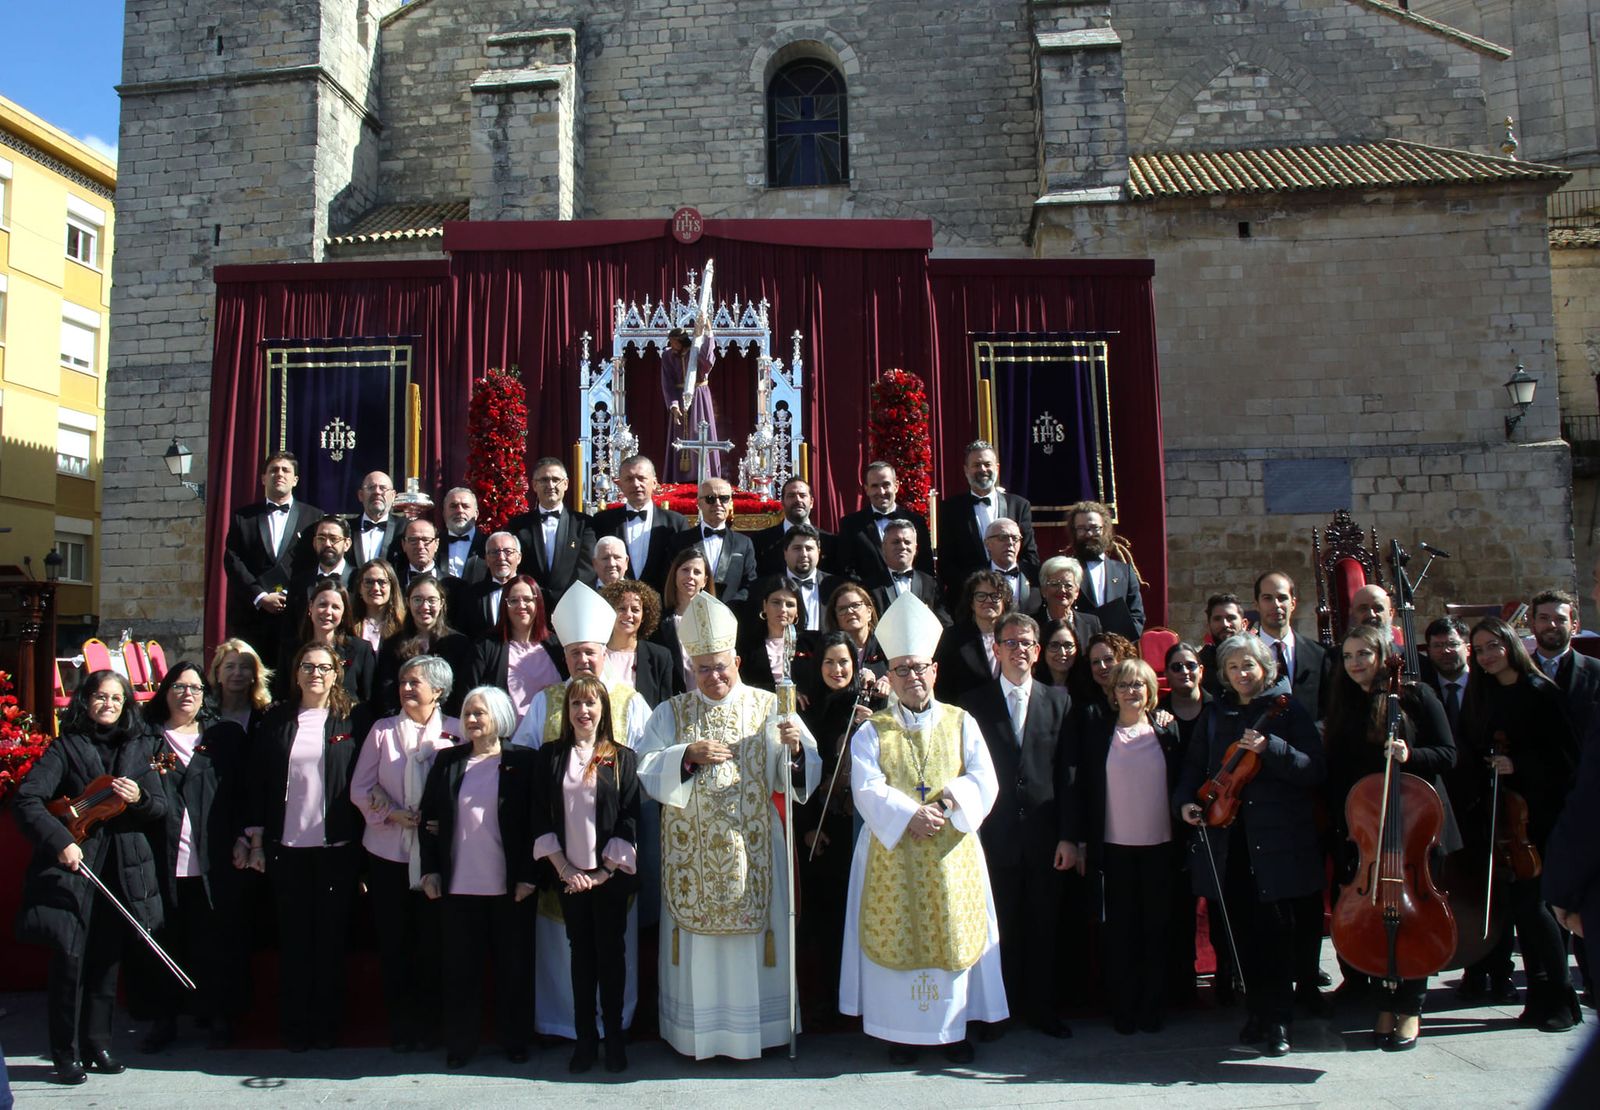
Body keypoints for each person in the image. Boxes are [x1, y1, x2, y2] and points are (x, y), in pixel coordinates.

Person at [635, 591, 821, 1060]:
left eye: (722, 666)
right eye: (704, 669)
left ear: (737, 659)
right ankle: (698, 1034)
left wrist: (795, 748)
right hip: (692, 853)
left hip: (754, 849)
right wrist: (686, 756)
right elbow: (646, 767)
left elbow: (799, 772)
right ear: (690, 668)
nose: (714, 677)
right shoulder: (671, 713)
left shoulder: (769, 706)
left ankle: (762, 1031)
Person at [841, 592, 1007, 1064]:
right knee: (900, 931)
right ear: (889, 677)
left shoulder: (961, 721)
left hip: (950, 848)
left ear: (935, 671)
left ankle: (953, 1030)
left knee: (952, 929)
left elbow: (983, 777)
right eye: (903, 670)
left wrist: (951, 801)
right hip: (892, 852)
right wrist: (908, 814)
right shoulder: (873, 729)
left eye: (920, 668)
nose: (913, 678)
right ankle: (900, 1033)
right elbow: (866, 786)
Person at [507, 583, 653, 1043]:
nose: (583, 662)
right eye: (574, 655)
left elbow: (642, 775)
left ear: (604, 652)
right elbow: (526, 767)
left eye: (590, 653)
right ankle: (565, 1025)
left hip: (612, 852)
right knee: (563, 945)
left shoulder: (628, 701)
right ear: (565, 658)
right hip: (562, 857)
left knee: (611, 946)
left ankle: (616, 1025)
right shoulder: (547, 702)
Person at [13, 670, 168, 1085]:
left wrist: (141, 798)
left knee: (106, 961)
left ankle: (98, 1044)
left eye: (117, 698)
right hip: (75, 866)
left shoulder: (140, 749)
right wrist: (60, 841)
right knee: (70, 960)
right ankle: (65, 1053)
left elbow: (160, 810)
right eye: (101, 697)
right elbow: (27, 800)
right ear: (86, 700)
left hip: (122, 867)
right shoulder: (66, 747)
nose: (109, 704)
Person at [1175, 634, 1324, 1058]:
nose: (1242, 674)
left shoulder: (1287, 711)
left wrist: (1271, 747)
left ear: (1265, 670)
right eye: (1235, 667)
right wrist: (1185, 801)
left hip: (1276, 841)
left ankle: (1279, 1020)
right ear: (1224, 674)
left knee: (1276, 933)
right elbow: (1194, 765)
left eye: (1250, 666)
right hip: (1231, 839)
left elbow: (1313, 768)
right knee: (1242, 933)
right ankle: (1256, 1013)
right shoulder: (1215, 714)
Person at [1322, 624, 1456, 1050]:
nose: (1356, 663)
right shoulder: (1344, 703)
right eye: (1348, 656)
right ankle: (1383, 1003)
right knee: (1376, 920)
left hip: (1416, 828)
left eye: (1363, 653)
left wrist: (1410, 755)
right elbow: (1339, 769)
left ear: (1383, 654)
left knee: (1413, 917)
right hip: (1366, 832)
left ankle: (1412, 1009)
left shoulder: (1415, 697)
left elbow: (1450, 755)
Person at [1456, 617, 1581, 1032]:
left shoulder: (1541, 692)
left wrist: (1519, 765)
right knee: (1519, 910)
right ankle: (1538, 1000)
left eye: (1494, 645)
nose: (1488, 655)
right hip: (1502, 818)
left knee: (1537, 908)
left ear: (1510, 644)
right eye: (1480, 649)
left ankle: (1561, 998)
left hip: (1538, 817)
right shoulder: (1481, 694)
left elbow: (1566, 760)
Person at [242, 644, 364, 1052]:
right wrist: (256, 840)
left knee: (330, 941)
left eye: (323, 667)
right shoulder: (277, 719)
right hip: (286, 847)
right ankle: (294, 1026)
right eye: (307, 666)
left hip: (337, 848)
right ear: (296, 674)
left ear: (335, 675)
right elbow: (257, 782)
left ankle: (328, 1026)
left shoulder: (352, 718)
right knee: (294, 941)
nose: (315, 673)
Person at [964, 612, 1072, 1039]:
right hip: (995, 834)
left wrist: (1069, 835)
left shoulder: (1059, 701)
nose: (1018, 650)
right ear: (996, 649)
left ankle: (1042, 1009)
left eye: (1026, 642)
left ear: (1037, 650)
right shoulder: (973, 704)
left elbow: (1068, 774)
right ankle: (997, 1013)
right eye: (1009, 642)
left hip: (1046, 836)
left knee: (1045, 926)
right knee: (999, 926)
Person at [418, 686, 536, 1069]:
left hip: (509, 886)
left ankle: (515, 1040)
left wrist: (528, 876)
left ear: (498, 718)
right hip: (458, 885)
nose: (471, 719)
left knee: (512, 968)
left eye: (479, 713)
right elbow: (428, 820)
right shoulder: (448, 761)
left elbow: (537, 824)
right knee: (460, 970)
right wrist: (431, 870)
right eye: (467, 712)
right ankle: (461, 1043)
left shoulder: (523, 762)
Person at [134, 662, 249, 1052]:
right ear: (165, 692)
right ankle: (164, 1020)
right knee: (165, 944)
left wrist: (243, 837)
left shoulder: (223, 738)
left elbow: (241, 794)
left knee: (214, 943)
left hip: (211, 860)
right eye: (180, 687)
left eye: (196, 689)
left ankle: (216, 1016)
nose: (188, 695)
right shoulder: (145, 741)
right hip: (160, 861)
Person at [1065, 658, 1183, 1035]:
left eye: (1139, 685)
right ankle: (1123, 1008)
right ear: (1113, 693)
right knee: (1120, 933)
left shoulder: (1167, 732)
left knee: (1156, 930)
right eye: (1124, 685)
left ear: (1150, 691)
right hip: (1113, 849)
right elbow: (1082, 789)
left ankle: (1153, 1007)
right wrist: (1082, 840)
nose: (1131, 691)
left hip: (1160, 848)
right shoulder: (1099, 731)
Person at [349, 654, 460, 1053]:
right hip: (388, 854)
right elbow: (360, 789)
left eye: (415, 682)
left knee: (434, 942)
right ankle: (402, 1024)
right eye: (403, 682)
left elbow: (468, 789)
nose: (406, 688)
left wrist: (443, 821)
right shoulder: (381, 731)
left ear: (439, 690)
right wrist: (392, 814)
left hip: (437, 856)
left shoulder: (456, 732)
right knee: (395, 944)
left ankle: (432, 1024)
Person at [531, 677, 642, 1074]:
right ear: (567, 712)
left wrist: (604, 871)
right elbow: (539, 814)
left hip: (608, 878)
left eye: (591, 703)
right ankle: (584, 1041)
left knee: (611, 957)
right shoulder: (549, 756)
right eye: (576, 704)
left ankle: (614, 1039)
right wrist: (565, 869)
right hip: (569, 877)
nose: (583, 711)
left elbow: (630, 816)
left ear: (603, 710)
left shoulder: (622, 757)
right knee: (581, 958)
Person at [796, 631, 879, 1020]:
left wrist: (875, 720)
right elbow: (802, 779)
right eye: (829, 662)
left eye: (844, 661)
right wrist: (809, 826)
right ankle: (829, 995)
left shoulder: (869, 707)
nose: (837, 669)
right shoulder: (807, 710)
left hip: (860, 828)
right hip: (821, 831)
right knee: (827, 918)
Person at [221, 451, 323, 657]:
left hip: (296, 615)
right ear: (263, 478)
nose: (280, 474)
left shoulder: (314, 516)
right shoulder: (243, 517)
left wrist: (289, 595)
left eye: (286, 470)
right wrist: (260, 596)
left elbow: (315, 562)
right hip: (252, 617)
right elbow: (233, 561)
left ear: (295, 480)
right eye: (273, 470)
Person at [1158, 641, 1212, 1004]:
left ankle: (1230, 979)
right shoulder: (1158, 712)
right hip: (1173, 818)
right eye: (1176, 667)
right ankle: (1181, 978)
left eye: (1190, 665)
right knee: (1177, 904)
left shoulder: (1217, 710)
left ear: (1201, 670)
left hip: (1219, 816)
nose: (1184, 672)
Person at [937, 441, 1040, 605]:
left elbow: (1030, 556)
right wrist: (978, 587)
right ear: (966, 470)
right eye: (976, 465)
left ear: (997, 468)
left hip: (1014, 600)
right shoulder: (950, 509)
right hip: (968, 602)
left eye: (987, 464)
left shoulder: (1019, 505)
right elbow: (946, 562)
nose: (983, 470)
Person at [466, 574, 563, 723]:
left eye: (527, 599)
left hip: (552, 739)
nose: (521, 605)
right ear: (505, 606)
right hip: (506, 741)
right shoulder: (487, 646)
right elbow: (470, 694)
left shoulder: (555, 645)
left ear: (538, 603)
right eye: (513, 600)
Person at [504, 458, 597, 607]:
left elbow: (587, 567)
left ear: (565, 484)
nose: (550, 485)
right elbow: (516, 567)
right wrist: (535, 596)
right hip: (530, 606)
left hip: (572, 606)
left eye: (556, 480)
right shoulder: (517, 525)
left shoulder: (584, 524)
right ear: (534, 485)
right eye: (544, 480)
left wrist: (565, 599)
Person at [592, 455, 689, 593]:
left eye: (641, 478)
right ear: (620, 484)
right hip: (615, 606)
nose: (636, 484)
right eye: (629, 479)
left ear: (654, 483)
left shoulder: (675, 523)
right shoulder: (602, 521)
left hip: (662, 606)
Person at [377, 574, 471, 717]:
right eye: (417, 600)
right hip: (402, 722)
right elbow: (386, 691)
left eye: (432, 600)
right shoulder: (393, 644)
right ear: (408, 602)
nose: (424, 606)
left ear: (442, 603)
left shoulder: (459, 643)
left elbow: (462, 692)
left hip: (447, 725)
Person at [667, 477, 758, 608]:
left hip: (731, 617)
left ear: (730, 503)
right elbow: (670, 581)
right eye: (710, 498)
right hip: (688, 614)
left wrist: (728, 608)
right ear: (699, 503)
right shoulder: (680, 541)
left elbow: (750, 584)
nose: (718, 503)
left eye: (724, 498)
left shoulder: (744, 543)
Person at [837, 461, 933, 583]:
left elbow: (926, 566)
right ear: (866, 489)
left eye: (886, 485)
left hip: (910, 597)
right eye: (875, 486)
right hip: (869, 599)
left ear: (896, 486)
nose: (881, 492)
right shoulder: (851, 525)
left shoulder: (916, 521)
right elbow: (847, 570)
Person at [284, 580, 375, 706]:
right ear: (311, 607)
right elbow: (282, 695)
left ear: (344, 613)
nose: (328, 612)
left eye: (335, 607)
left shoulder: (361, 649)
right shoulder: (291, 649)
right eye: (322, 605)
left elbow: (368, 698)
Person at [1254, 570, 1329, 720]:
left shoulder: (1318, 654)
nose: (1276, 605)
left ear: (1293, 603)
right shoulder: (1245, 654)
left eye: (1282, 598)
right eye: (1267, 598)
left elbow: (1328, 706)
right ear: (1257, 605)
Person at [933, 570, 1014, 705]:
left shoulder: (1015, 638)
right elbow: (942, 687)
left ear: (1004, 602)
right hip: (965, 716)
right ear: (971, 603)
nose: (988, 600)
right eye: (981, 596)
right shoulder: (952, 638)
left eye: (995, 596)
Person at [1528, 589, 1600, 737]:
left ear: (1574, 626)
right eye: (1544, 618)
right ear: (1533, 624)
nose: (1552, 625)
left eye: (1560, 619)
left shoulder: (1596, 672)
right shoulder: (1518, 670)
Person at [1067, 500, 1144, 640]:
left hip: (1118, 651)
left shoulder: (1124, 572)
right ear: (1074, 532)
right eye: (1082, 529)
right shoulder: (1066, 570)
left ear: (1105, 529)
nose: (1089, 534)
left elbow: (1137, 616)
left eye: (1094, 528)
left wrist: (1121, 645)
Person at [600, 579, 676, 708]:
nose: (628, 615)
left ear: (644, 616)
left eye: (635, 610)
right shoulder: (595, 653)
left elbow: (665, 708)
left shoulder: (659, 657)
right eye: (621, 608)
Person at [756, 523, 843, 633]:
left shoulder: (836, 587)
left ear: (819, 552)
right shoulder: (763, 588)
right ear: (785, 553)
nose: (804, 554)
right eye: (797, 548)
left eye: (809, 548)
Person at [661, 321, 720, 483]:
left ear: (681, 341)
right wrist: (673, 405)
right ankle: (679, 479)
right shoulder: (667, 356)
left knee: (700, 433)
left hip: (699, 397)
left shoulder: (695, 351)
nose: (671, 345)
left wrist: (708, 333)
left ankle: (706, 477)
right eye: (670, 342)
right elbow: (667, 383)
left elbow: (708, 362)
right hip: (680, 399)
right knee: (680, 436)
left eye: (674, 342)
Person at [865, 518, 948, 628]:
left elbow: (945, 622)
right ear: (884, 547)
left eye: (907, 542)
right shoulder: (870, 586)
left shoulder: (931, 583)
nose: (902, 546)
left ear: (915, 548)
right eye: (896, 542)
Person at [654, 546, 716, 694]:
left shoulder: (716, 619)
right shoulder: (659, 621)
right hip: (672, 698)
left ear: (705, 581)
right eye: (685, 570)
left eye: (697, 572)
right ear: (675, 574)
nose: (690, 576)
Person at [753, 477, 840, 576]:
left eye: (802, 495)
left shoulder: (830, 542)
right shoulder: (760, 541)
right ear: (782, 502)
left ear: (811, 502)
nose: (798, 500)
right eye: (791, 496)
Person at [285, 515, 354, 635]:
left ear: (347, 544)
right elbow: (288, 631)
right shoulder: (299, 583)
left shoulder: (358, 580)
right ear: (314, 543)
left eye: (334, 539)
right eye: (321, 538)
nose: (327, 544)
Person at [454, 531, 523, 638]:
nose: (501, 557)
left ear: (518, 558)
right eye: (495, 552)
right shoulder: (471, 595)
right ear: (486, 559)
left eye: (508, 551)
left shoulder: (533, 593)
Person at [738, 579, 802, 693]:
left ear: (797, 611)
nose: (783, 609)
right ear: (764, 606)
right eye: (776, 602)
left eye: (790, 604)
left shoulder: (810, 644)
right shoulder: (747, 646)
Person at [1033, 555, 1102, 659]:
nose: (1062, 590)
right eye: (1055, 584)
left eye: (1068, 585)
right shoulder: (1032, 624)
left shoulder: (1092, 624)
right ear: (1043, 590)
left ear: (1077, 592)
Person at [207, 637, 272, 732]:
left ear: (255, 674)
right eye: (230, 667)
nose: (237, 673)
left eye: (244, 667)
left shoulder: (266, 714)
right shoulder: (205, 713)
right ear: (218, 673)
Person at [348, 558, 406, 653]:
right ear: (359, 588)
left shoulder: (403, 626)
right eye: (369, 582)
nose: (375, 588)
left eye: (382, 582)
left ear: (392, 587)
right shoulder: (349, 625)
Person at [981, 518, 1036, 613]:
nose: (1010, 543)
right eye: (1003, 537)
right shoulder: (976, 577)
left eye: (1015, 538)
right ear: (987, 544)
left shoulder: (1035, 574)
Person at [1198, 593, 1247, 697]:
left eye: (1231, 618)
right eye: (1217, 619)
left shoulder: (1260, 659)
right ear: (1208, 626)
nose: (1224, 624)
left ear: (1244, 624)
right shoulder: (1200, 663)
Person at [352, 470, 403, 567]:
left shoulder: (404, 528)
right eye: (371, 487)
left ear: (393, 496)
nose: (377, 492)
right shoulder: (347, 529)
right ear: (361, 495)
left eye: (383, 488)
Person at [437, 486, 487, 579]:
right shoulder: (434, 543)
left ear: (476, 514)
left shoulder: (488, 544)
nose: (459, 510)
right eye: (453, 506)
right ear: (444, 513)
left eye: (465, 506)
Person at [393, 517, 444, 591]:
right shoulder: (393, 583)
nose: (420, 546)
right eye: (413, 540)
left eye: (426, 540)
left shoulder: (454, 585)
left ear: (436, 544)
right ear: (404, 544)